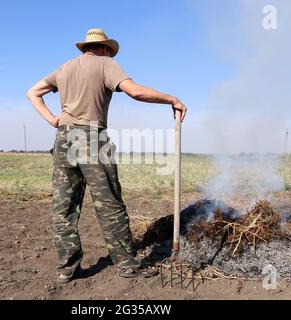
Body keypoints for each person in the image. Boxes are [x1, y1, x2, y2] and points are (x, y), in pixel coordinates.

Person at [27, 28, 187, 283]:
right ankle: (127, 265)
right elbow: (135, 91)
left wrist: (54, 121)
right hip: (92, 138)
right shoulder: (106, 64)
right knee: (110, 204)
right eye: (109, 51)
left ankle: (67, 269)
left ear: (86, 48)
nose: (110, 54)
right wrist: (172, 99)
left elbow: (33, 92)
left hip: (64, 141)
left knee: (64, 208)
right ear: (105, 49)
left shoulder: (65, 68)